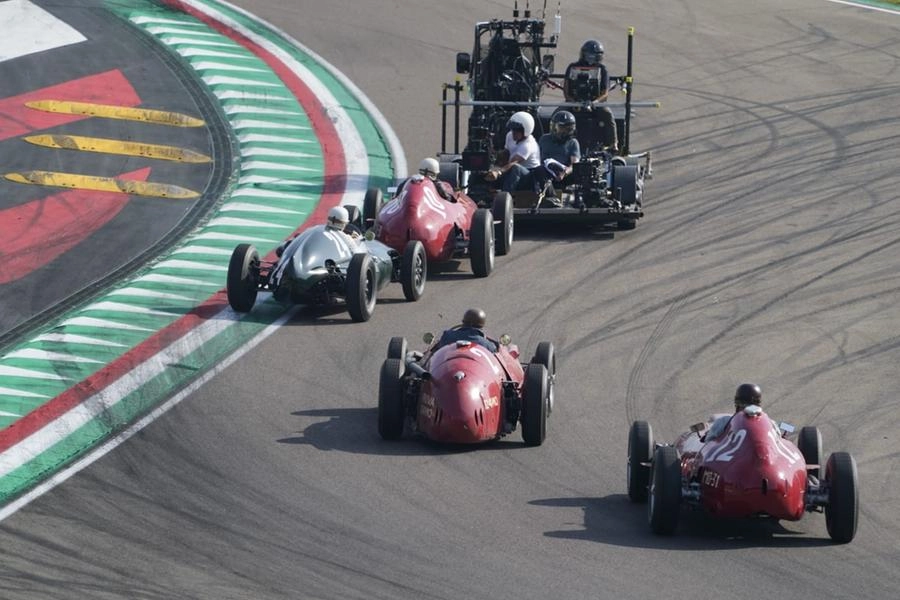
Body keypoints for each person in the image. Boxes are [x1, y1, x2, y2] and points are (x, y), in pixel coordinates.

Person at [564, 39, 618, 153]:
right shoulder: (572, 67)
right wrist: (572, 101)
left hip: (595, 103)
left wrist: (595, 103)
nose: (590, 58)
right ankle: (553, 141)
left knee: (607, 114)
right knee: (559, 114)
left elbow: (605, 93)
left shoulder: (603, 70)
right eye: (588, 55)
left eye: (593, 56)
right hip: (574, 101)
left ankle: (613, 144)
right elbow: (566, 90)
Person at [517, 110, 581, 195]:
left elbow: (574, 164)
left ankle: (551, 196)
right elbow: (537, 158)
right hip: (545, 172)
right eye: (563, 128)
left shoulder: (573, 142)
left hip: (563, 174)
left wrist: (564, 172)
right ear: (554, 127)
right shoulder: (544, 139)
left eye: (569, 129)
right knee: (537, 170)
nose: (567, 132)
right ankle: (551, 196)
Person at [484, 111, 540, 193]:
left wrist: (498, 172)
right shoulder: (509, 135)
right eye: (512, 129)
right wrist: (493, 160)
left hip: (529, 176)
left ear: (525, 131)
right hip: (512, 172)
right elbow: (506, 154)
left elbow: (513, 162)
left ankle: (506, 194)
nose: (513, 133)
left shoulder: (528, 145)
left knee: (515, 168)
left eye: (517, 130)